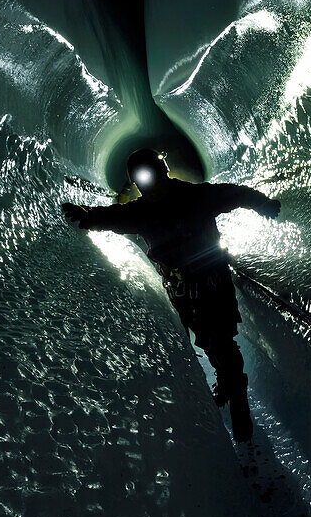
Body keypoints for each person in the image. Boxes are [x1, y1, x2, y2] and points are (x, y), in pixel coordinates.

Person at [61, 148, 281, 443]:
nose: (150, 190)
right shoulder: (140, 212)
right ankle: (227, 381)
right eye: (143, 185)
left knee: (222, 341)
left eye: (153, 180)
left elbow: (237, 194)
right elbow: (108, 217)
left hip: (214, 282)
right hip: (182, 289)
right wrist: (84, 215)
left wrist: (263, 204)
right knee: (206, 339)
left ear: (165, 174)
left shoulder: (197, 196)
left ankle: (239, 408)